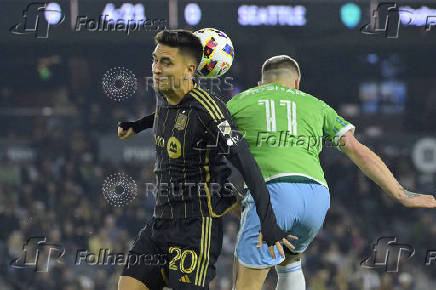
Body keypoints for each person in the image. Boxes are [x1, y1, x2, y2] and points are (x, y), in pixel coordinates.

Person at [227, 55, 436, 290]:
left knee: (246, 284)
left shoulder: (239, 102)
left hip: (273, 191)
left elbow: (212, 143)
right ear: (297, 83)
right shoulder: (315, 104)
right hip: (316, 197)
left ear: (260, 84)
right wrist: (400, 193)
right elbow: (358, 150)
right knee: (289, 261)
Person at [117, 30, 295, 290]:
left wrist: (268, 223)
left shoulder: (209, 111)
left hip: (195, 228)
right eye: (155, 60)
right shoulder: (166, 97)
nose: (156, 68)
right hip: (160, 223)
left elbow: (246, 164)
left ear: (190, 70)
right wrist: (137, 125)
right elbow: (165, 115)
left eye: (166, 63)